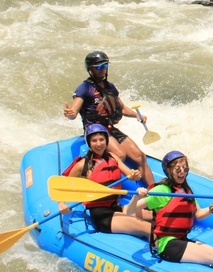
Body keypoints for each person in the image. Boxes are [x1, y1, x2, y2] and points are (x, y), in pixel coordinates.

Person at [63, 50, 154, 187]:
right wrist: (70, 114)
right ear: (90, 69)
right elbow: (74, 111)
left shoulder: (110, 87)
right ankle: (114, 188)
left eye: (105, 66)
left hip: (110, 128)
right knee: (119, 154)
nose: (102, 70)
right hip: (95, 130)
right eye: (98, 67)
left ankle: (153, 189)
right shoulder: (84, 88)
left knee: (139, 156)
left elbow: (121, 108)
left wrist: (136, 115)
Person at [125, 150, 213, 270]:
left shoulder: (185, 190)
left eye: (185, 168)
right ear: (169, 171)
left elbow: (199, 214)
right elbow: (129, 211)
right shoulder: (161, 191)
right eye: (178, 169)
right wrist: (136, 196)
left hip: (181, 240)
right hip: (167, 245)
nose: (182, 172)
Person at [58, 123, 152, 238]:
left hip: (116, 207)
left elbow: (130, 174)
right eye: (94, 140)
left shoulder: (112, 156)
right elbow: (63, 186)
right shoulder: (82, 165)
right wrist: (61, 204)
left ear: (106, 140)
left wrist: (135, 175)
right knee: (149, 228)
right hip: (101, 215)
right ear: (89, 143)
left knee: (157, 216)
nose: (99, 144)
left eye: (101, 139)